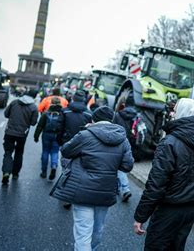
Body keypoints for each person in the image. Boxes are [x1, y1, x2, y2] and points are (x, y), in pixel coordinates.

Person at [133, 98, 194, 250]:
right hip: (190, 210)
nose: (172, 113)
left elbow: (156, 185)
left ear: (182, 113)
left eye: (175, 110)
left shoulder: (169, 143)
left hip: (168, 209)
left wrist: (141, 216)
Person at [51, 106, 134, 251]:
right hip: (105, 192)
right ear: (112, 120)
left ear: (93, 119)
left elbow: (66, 150)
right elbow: (127, 166)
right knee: (98, 230)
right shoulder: (122, 139)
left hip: (82, 191)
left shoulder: (85, 135)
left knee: (83, 232)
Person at [59, 89, 92, 210]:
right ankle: (75, 194)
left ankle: (66, 196)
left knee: (65, 170)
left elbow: (60, 128)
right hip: (82, 146)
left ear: (73, 98)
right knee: (78, 171)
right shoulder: (89, 114)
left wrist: (60, 142)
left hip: (67, 144)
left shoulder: (65, 111)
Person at [1, 89, 39, 184]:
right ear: (34, 96)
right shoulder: (34, 107)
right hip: (22, 134)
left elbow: (6, 114)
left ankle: (6, 172)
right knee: (19, 152)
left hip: (9, 132)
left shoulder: (14, 102)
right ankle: (15, 174)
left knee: (8, 152)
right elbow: (33, 123)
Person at [113, 94, 139, 203]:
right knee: (122, 165)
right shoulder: (137, 116)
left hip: (118, 142)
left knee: (117, 166)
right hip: (130, 143)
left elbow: (113, 128)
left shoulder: (118, 115)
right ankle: (121, 188)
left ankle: (124, 188)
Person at [34, 96, 64, 180]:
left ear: (51, 103)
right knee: (55, 152)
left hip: (46, 135)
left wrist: (36, 136)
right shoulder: (62, 114)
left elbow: (40, 126)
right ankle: (54, 166)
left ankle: (44, 172)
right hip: (57, 136)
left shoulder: (46, 113)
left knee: (45, 151)